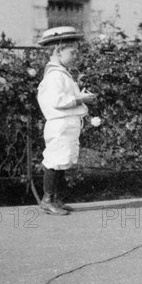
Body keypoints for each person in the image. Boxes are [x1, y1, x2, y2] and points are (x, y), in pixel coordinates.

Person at [37, 26, 97, 216]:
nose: (76, 56)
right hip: (59, 124)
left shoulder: (62, 74)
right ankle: (47, 200)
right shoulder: (54, 76)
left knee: (62, 161)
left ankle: (57, 199)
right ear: (58, 51)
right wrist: (80, 99)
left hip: (67, 124)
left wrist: (79, 96)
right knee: (55, 161)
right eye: (72, 52)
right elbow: (58, 101)